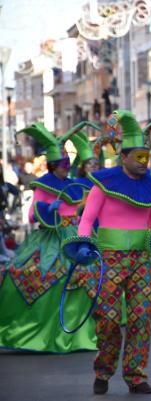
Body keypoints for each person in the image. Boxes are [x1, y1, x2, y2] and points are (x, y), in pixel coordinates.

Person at [63, 110, 151, 394]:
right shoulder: (104, 185)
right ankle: (103, 371)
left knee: (142, 318)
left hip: (141, 261)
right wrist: (83, 241)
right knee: (109, 319)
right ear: (124, 156)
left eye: (147, 157)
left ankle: (136, 376)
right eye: (138, 157)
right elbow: (87, 219)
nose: (144, 162)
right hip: (109, 260)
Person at [0, 123, 95, 353]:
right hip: (50, 238)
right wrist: (47, 208)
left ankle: (75, 333)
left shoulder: (73, 184)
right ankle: (40, 330)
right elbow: (32, 215)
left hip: (73, 236)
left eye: (68, 163)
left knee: (84, 278)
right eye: (63, 164)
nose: (67, 167)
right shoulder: (43, 185)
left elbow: (82, 209)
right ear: (53, 166)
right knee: (42, 277)